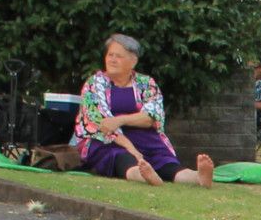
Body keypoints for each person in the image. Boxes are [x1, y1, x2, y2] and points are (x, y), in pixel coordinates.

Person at [74, 34, 214, 186]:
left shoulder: (146, 83)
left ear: (133, 61)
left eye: (118, 56)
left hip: (144, 138)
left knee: (166, 162)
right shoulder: (95, 83)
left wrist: (120, 120)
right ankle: (144, 175)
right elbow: (104, 124)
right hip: (108, 140)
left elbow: (150, 117)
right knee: (122, 158)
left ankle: (197, 177)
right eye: (110, 55)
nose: (112, 60)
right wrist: (132, 149)